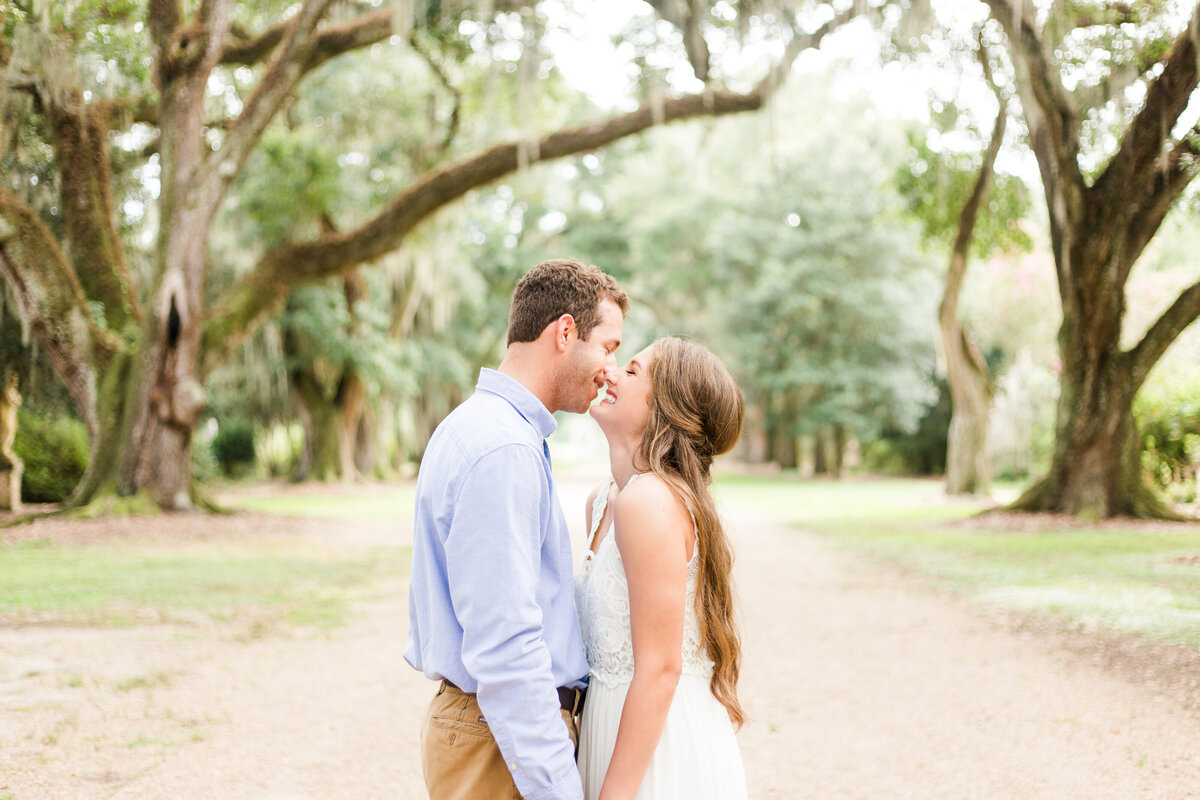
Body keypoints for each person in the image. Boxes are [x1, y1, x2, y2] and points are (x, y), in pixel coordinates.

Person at [405, 258, 629, 800]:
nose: (611, 369)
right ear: (565, 332)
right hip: (495, 742)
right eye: (609, 347)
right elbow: (506, 642)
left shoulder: (488, 429)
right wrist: (558, 789)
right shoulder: (503, 448)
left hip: (491, 732)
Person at [575, 336, 747, 800]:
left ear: (665, 409)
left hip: (660, 751)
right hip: (611, 729)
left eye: (631, 371)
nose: (609, 372)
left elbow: (660, 667)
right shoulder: (602, 502)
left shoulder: (649, 501)